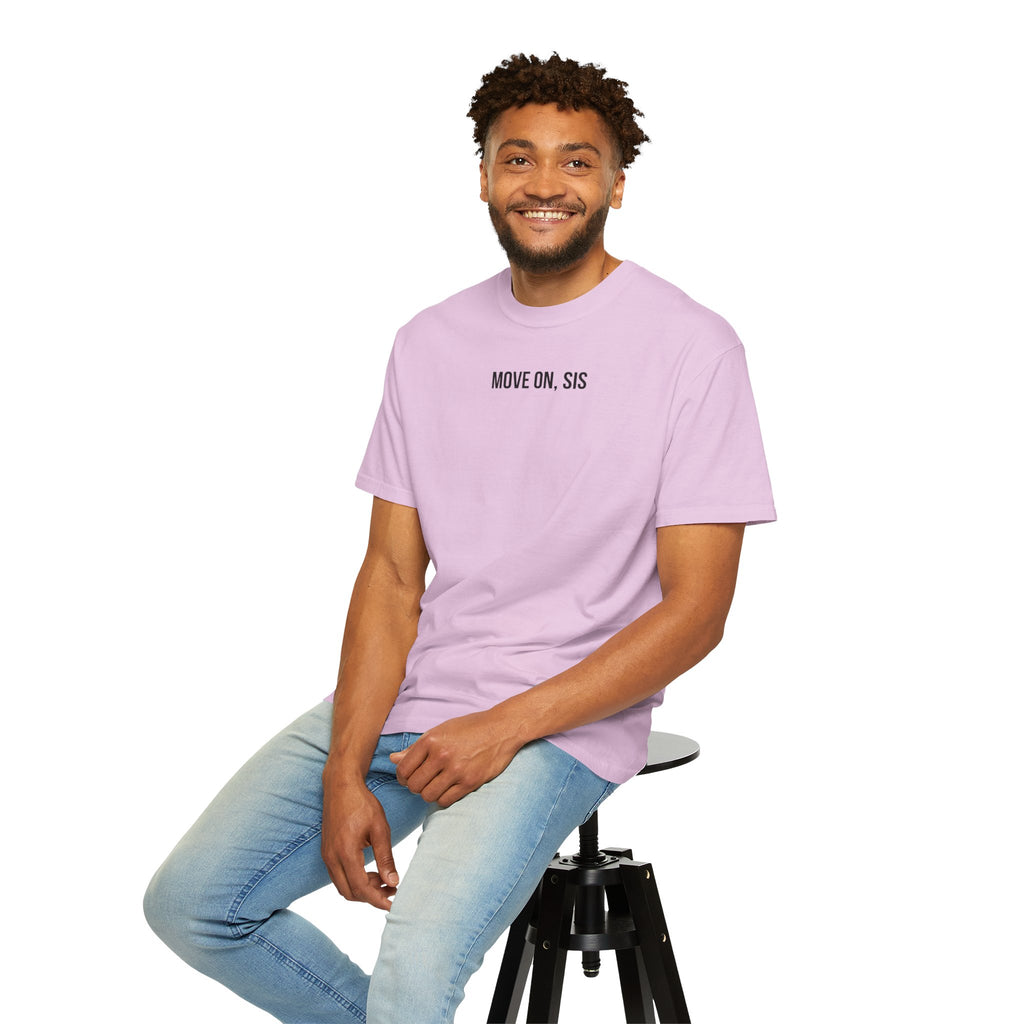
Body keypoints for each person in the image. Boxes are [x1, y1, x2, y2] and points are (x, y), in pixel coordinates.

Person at [144, 53, 776, 1023]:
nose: (544, 183)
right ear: (484, 176)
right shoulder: (429, 342)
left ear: (616, 185)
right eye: (518, 158)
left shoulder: (692, 345)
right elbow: (393, 577)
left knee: (415, 978)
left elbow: (697, 612)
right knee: (196, 904)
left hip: (564, 717)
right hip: (420, 694)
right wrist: (345, 766)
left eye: (576, 161)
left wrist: (504, 726)